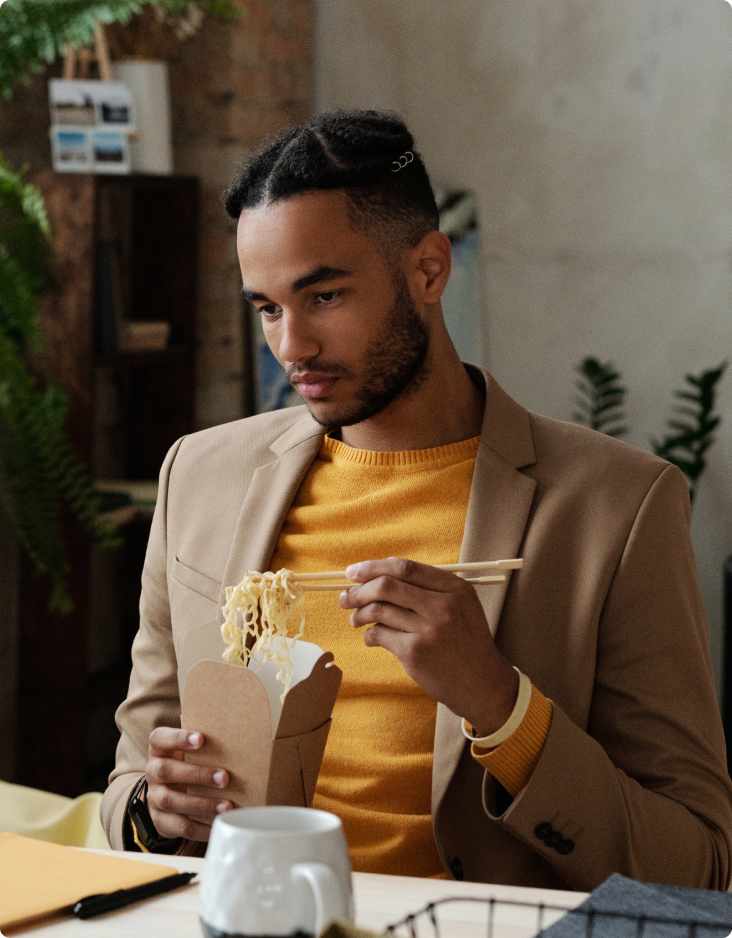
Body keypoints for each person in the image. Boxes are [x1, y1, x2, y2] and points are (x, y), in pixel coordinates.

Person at [101, 108, 732, 890]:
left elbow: (698, 865)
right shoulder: (197, 477)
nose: (291, 347)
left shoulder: (618, 508)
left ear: (429, 270)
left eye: (324, 297)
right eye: (267, 309)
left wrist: (499, 703)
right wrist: (154, 809)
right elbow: (129, 786)